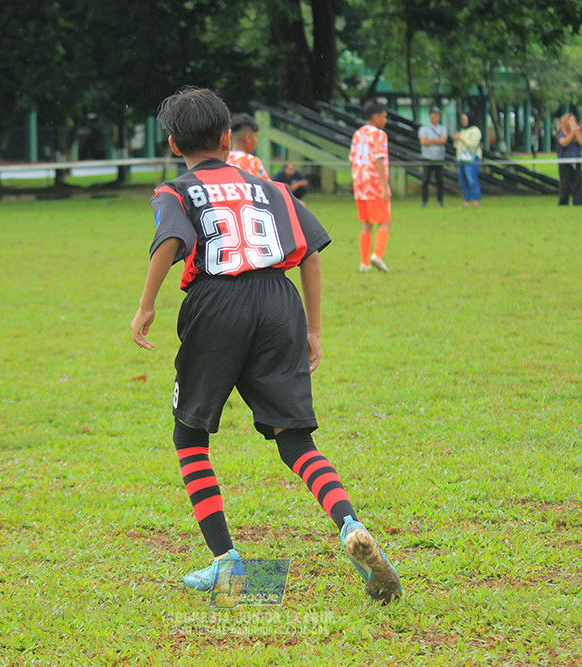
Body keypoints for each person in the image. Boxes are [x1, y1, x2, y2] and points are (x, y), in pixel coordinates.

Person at [130, 86, 402, 605]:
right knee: (295, 440)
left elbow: (170, 241)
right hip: (279, 302)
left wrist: (146, 305)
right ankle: (351, 525)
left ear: (173, 145)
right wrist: (314, 330)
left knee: (189, 436)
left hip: (215, 303)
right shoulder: (270, 188)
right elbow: (311, 253)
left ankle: (227, 563)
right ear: (228, 138)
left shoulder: (175, 191)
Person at [349, 100, 392, 273]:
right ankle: (378, 255)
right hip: (374, 183)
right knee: (385, 220)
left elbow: (352, 159)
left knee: (367, 222)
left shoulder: (357, 134)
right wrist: (385, 186)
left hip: (360, 184)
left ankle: (364, 263)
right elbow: (379, 159)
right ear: (375, 117)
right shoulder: (380, 135)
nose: (385, 120)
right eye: (384, 116)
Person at [451, 112, 482, 207]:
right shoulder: (463, 131)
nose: (463, 121)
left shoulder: (475, 130)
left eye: (464, 119)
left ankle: (476, 200)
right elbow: (457, 146)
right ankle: (466, 200)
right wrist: (456, 139)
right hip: (462, 158)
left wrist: (461, 138)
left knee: (472, 180)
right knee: (463, 180)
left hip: (472, 158)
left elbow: (472, 145)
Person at [418, 105, 448, 208]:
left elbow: (443, 140)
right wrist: (437, 141)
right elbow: (423, 142)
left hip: (439, 158)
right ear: (430, 116)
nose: (436, 117)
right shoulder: (424, 129)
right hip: (427, 158)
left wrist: (430, 141)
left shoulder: (442, 129)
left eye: (438, 115)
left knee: (440, 180)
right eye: (434, 115)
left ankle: (440, 201)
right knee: (425, 180)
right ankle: (424, 201)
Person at [226, 113, 269, 179]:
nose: (256, 140)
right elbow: (266, 183)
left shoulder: (224, 160)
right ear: (248, 138)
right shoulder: (252, 161)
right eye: (255, 136)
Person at [556, 113, 582, 206]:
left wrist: (576, 132)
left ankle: (578, 202)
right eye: (571, 121)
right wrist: (572, 133)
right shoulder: (561, 132)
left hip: (576, 160)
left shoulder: (577, 132)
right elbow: (563, 143)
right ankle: (563, 202)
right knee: (565, 184)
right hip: (565, 161)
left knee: (577, 182)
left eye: (574, 121)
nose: (573, 123)